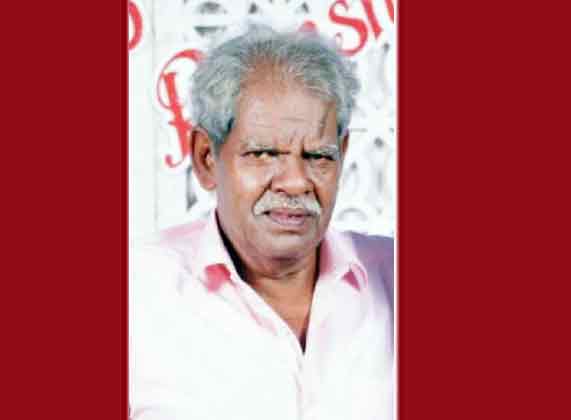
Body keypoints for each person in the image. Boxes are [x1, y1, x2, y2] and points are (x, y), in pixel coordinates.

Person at [130, 24, 394, 420]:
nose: (295, 181)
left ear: (342, 154)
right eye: (264, 154)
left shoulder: (394, 280)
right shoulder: (136, 292)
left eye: (318, 157)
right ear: (206, 158)